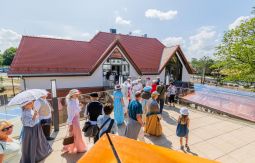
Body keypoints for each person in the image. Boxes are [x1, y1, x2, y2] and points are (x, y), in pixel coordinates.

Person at [62, 89, 86, 154]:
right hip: (73, 120)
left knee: (74, 135)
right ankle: (79, 148)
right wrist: (80, 107)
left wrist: (79, 106)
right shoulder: (71, 103)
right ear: (72, 95)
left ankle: (69, 147)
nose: (77, 94)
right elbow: (72, 113)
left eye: (77, 93)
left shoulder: (75, 100)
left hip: (76, 119)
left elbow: (75, 110)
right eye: (76, 94)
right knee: (77, 134)